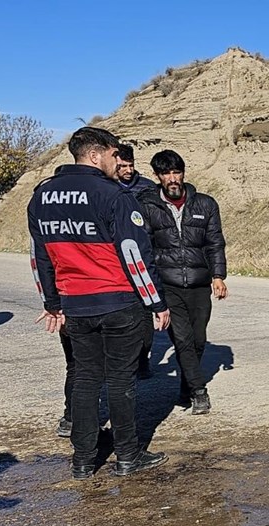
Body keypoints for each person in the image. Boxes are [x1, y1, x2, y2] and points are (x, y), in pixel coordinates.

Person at [28, 126, 170, 479]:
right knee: (121, 382)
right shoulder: (114, 195)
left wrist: (52, 302)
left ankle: (82, 460)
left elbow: (40, 257)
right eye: (112, 154)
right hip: (119, 301)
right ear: (95, 155)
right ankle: (127, 456)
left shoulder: (41, 197)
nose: (116, 160)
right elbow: (134, 253)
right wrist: (156, 303)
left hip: (75, 305)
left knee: (86, 380)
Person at [136, 150, 228, 415]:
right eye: (166, 174)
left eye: (177, 172)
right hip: (168, 285)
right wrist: (151, 287)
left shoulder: (206, 204)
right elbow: (144, 247)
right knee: (183, 341)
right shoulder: (147, 205)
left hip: (199, 285)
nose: (173, 178)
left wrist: (218, 276)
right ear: (157, 176)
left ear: (184, 173)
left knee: (198, 340)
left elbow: (215, 243)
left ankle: (185, 388)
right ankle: (199, 392)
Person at [114, 143, 157, 378]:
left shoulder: (147, 187)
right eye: (123, 166)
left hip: (144, 254)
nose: (128, 170)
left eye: (131, 165)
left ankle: (143, 357)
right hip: (115, 260)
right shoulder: (107, 188)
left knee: (144, 312)